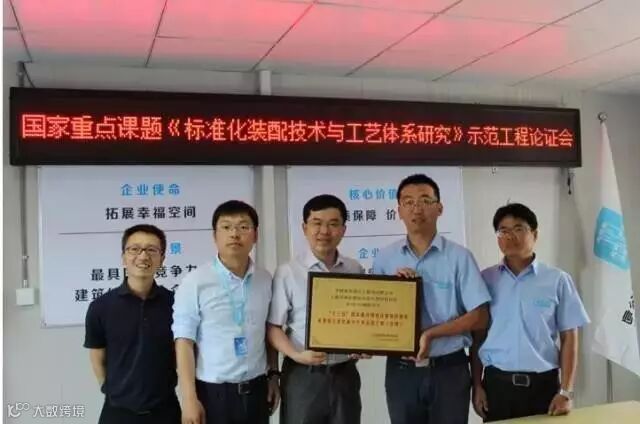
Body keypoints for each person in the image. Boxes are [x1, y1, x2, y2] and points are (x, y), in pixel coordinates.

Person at [372, 174, 491, 424]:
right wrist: (395, 290)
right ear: (399, 211)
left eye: (425, 201)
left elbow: (480, 316)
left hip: (449, 370)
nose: (417, 208)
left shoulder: (459, 257)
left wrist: (431, 334)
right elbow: (374, 313)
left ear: (440, 208)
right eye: (408, 202)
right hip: (402, 371)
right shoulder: (385, 258)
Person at [471, 203, 590, 422]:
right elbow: (478, 337)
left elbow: (569, 338)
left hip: (543, 388)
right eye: (503, 230)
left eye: (518, 229)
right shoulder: (485, 279)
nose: (510, 236)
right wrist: (477, 386)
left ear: (534, 234)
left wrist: (566, 392)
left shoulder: (557, 280)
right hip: (497, 386)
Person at [172, 200, 279, 424]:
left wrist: (273, 375)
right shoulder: (195, 282)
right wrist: (189, 399)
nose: (235, 234)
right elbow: (184, 342)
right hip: (213, 394)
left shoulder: (265, 279)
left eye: (243, 227)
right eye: (226, 227)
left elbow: (269, 332)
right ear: (215, 236)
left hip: (257, 390)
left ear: (255, 235)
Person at [268, 194, 365, 424]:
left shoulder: (354, 269)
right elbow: (273, 327)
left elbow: (362, 320)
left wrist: (364, 343)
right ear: (305, 228)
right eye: (317, 223)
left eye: (333, 224)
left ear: (343, 230)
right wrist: (295, 355)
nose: (324, 231)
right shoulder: (288, 272)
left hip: (344, 373)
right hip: (303, 374)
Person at [84, 224, 180, 424]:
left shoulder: (176, 304)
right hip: (117, 413)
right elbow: (97, 357)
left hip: (165, 411)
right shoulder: (101, 307)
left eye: (151, 250)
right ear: (123, 257)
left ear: (162, 259)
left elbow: (185, 354)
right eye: (134, 249)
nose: (143, 256)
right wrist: (111, 390)